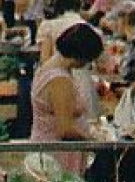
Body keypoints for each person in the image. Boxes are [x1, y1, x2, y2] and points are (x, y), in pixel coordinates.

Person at [30, 23, 103, 174]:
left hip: (53, 149)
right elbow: (65, 129)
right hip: (57, 155)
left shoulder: (50, 67)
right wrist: (95, 140)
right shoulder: (59, 80)